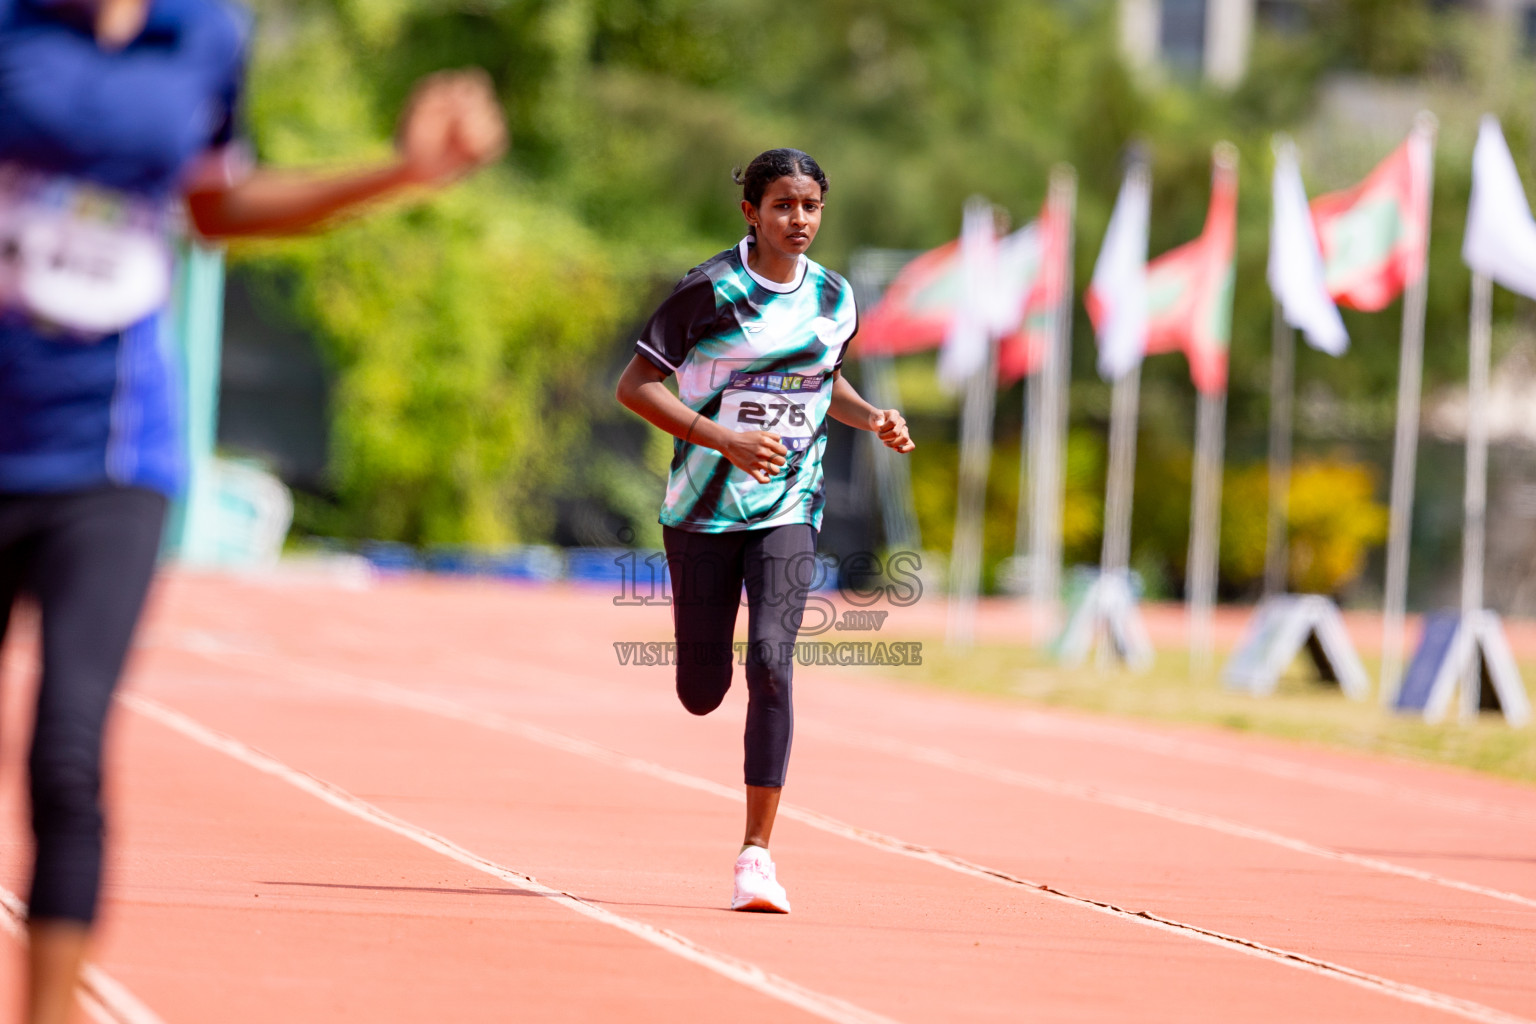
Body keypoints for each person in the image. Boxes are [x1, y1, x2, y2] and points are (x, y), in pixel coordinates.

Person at [0, 0, 505, 1018]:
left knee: (67, 750)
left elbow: (216, 206)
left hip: (112, 450)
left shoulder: (206, 36)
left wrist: (403, 170)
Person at [615, 148, 914, 914]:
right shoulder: (710, 292)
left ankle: (756, 855)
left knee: (775, 663)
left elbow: (822, 379)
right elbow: (637, 386)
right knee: (702, 689)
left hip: (789, 507)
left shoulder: (836, 298)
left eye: (810, 206)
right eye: (783, 205)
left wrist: (870, 415)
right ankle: (701, 674)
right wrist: (725, 440)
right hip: (703, 511)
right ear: (751, 212)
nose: (799, 220)